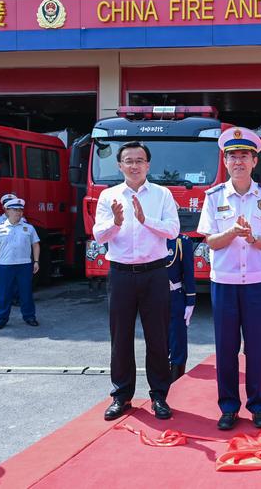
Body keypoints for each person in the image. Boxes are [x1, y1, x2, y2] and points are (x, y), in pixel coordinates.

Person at [197, 127, 261, 430]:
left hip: (259, 282)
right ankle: (228, 406)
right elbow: (210, 240)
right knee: (226, 347)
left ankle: (259, 404)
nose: (238, 162)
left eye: (244, 156)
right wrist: (233, 232)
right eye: (232, 156)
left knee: (259, 347)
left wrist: (253, 236)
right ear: (225, 161)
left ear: (254, 161)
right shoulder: (214, 197)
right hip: (225, 282)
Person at [93, 141, 180, 422]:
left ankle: (159, 396)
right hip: (121, 274)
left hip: (154, 273)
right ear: (119, 166)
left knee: (157, 336)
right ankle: (121, 395)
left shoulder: (162, 194)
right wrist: (117, 222)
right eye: (128, 161)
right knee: (120, 337)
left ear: (148, 165)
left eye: (139, 160)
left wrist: (145, 219)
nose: (134, 165)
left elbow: (174, 229)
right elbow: (99, 235)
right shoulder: (108, 196)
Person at [0, 198, 40, 330]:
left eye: (20, 210)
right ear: (7, 211)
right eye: (15, 210)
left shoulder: (28, 228)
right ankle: (1, 319)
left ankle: (29, 317)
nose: (19, 213)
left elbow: (35, 245)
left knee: (26, 292)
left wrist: (36, 261)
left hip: (24, 265)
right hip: (5, 265)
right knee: (3, 293)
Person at [166, 233, 196, 382]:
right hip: (154, 297)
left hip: (175, 296)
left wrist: (190, 301)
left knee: (177, 339)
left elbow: (189, 273)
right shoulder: (149, 238)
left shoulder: (181, 242)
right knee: (157, 340)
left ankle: (176, 379)